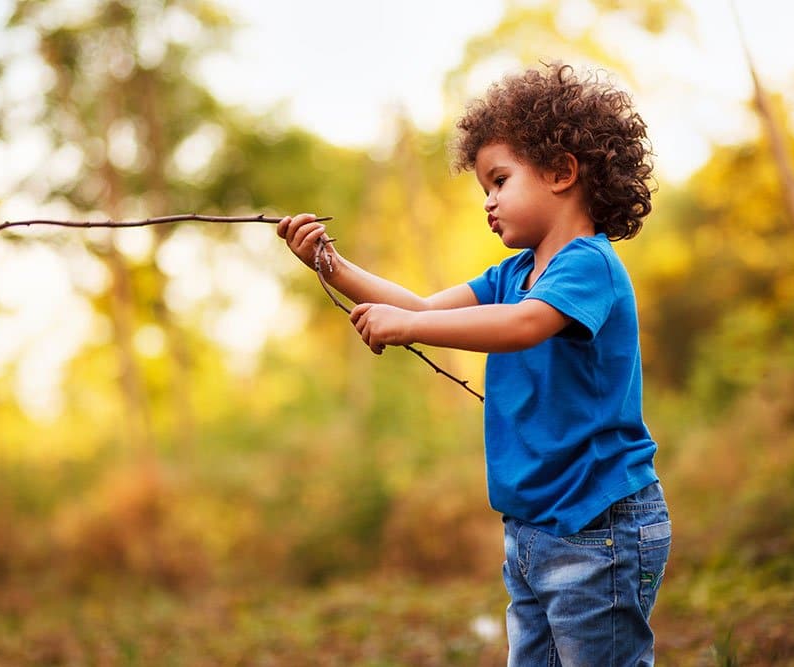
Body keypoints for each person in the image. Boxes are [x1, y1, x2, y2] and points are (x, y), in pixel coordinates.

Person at [277, 62, 670, 666]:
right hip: (533, 529)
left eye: (499, 180)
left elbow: (520, 325)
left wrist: (409, 326)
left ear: (562, 171)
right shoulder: (510, 275)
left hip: (600, 526)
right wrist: (329, 264)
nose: (487, 202)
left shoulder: (589, 265)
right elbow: (420, 306)